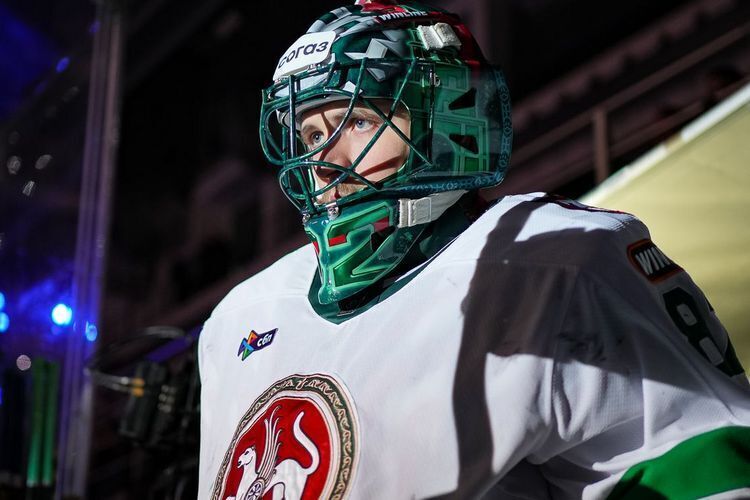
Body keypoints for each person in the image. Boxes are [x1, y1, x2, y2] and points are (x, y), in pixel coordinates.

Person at [198, 1, 750, 498]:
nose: (324, 163)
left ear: (444, 117)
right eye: (313, 135)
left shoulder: (553, 261)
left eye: (358, 120)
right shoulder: (240, 318)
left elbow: (698, 474)